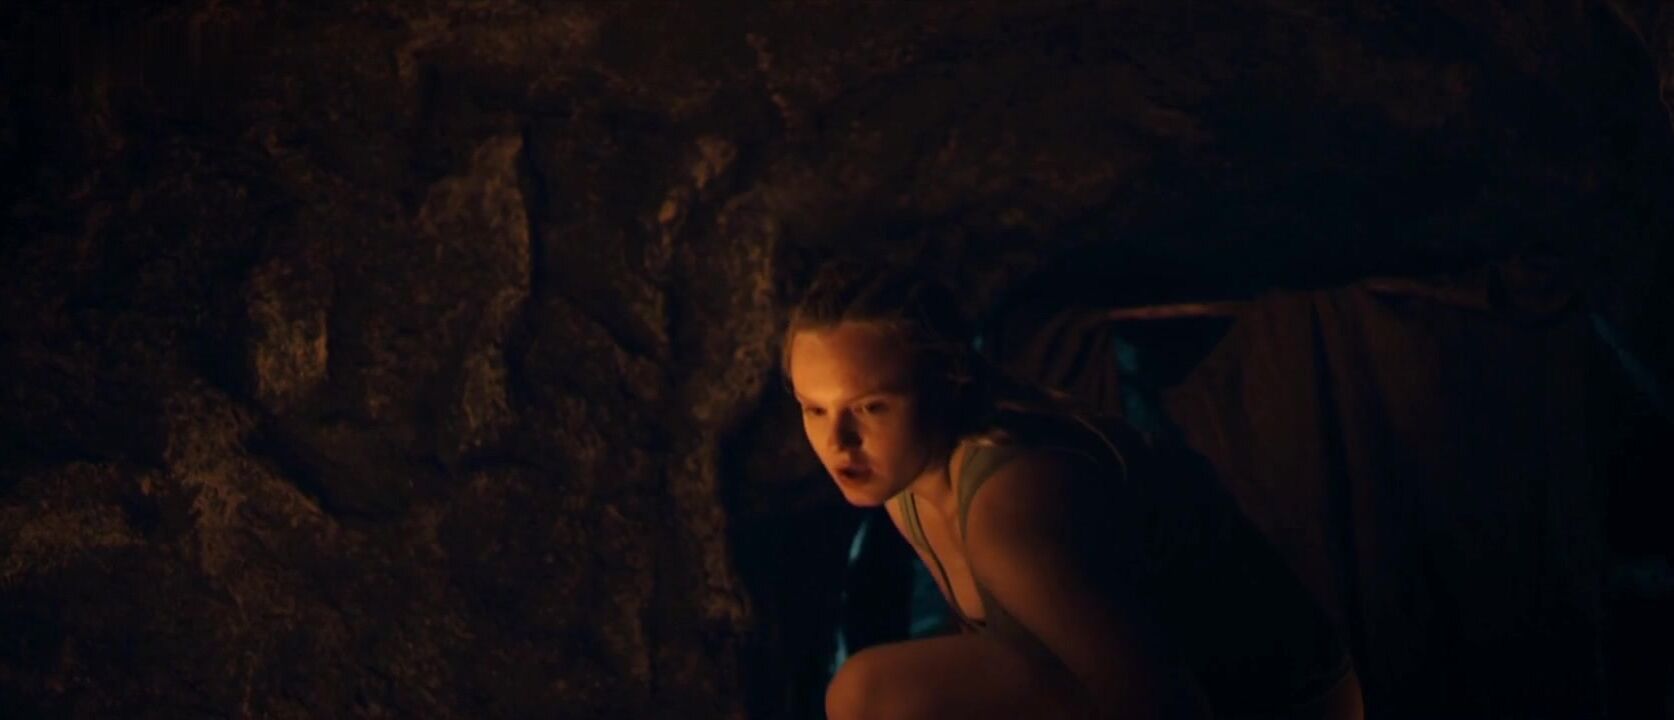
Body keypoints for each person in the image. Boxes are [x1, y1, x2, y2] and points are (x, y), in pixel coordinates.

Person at [782, 259, 1365, 719]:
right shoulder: (903, 484)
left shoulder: (1012, 502)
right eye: (814, 409)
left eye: (871, 407)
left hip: (1280, 704)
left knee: (870, 693)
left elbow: (1166, 705)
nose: (838, 441)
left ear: (949, 378)